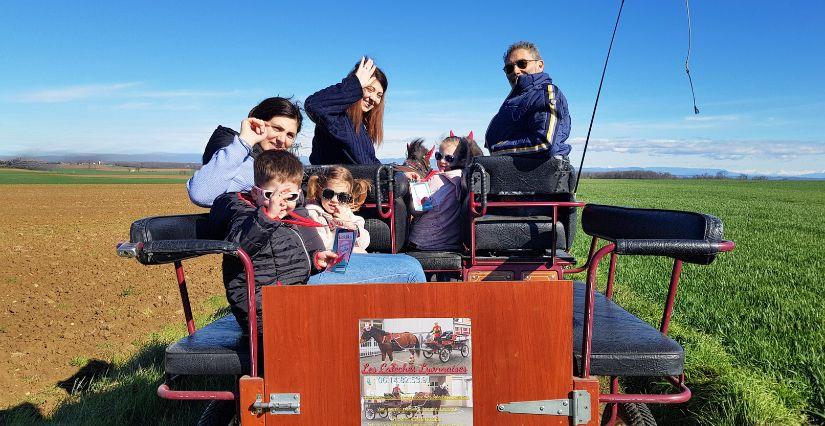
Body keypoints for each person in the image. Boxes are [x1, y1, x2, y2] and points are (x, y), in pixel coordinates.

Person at [212, 150, 426, 335]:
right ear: (256, 194)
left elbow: (285, 259)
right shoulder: (250, 216)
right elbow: (238, 247)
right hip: (275, 305)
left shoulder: (289, 214)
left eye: (291, 197)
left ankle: (401, 339)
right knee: (409, 271)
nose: (283, 204)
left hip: (293, 288)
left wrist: (316, 259)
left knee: (409, 263)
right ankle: (418, 349)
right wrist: (266, 216)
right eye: (272, 195)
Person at [188, 97, 303, 208]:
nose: (282, 140)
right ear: (258, 123)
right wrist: (245, 141)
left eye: (290, 135)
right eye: (277, 128)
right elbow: (201, 195)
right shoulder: (240, 159)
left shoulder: (274, 163)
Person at [485, 41, 572, 159]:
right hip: (508, 171)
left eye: (522, 63)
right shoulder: (514, 99)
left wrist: (497, 149)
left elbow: (543, 143)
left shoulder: (545, 93)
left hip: (537, 174)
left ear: (540, 65)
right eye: (509, 68)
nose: (515, 71)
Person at [305, 57, 387, 165]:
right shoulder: (337, 118)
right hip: (331, 181)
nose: (374, 99)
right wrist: (354, 84)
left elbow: (370, 162)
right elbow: (314, 105)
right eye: (370, 89)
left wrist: (396, 173)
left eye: (379, 95)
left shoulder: (360, 127)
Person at [408, 134, 482, 251]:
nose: (441, 161)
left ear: (461, 160)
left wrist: (413, 190)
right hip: (453, 243)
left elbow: (417, 210)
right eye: (438, 156)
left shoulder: (435, 180)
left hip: (424, 244)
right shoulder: (467, 179)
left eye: (449, 158)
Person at [305, 166, 371, 253]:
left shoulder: (347, 213)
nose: (334, 200)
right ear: (319, 192)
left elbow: (365, 242)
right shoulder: (312, 214)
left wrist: (351, 227)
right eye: (328, 194)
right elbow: (321, 245)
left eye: (342, 197)